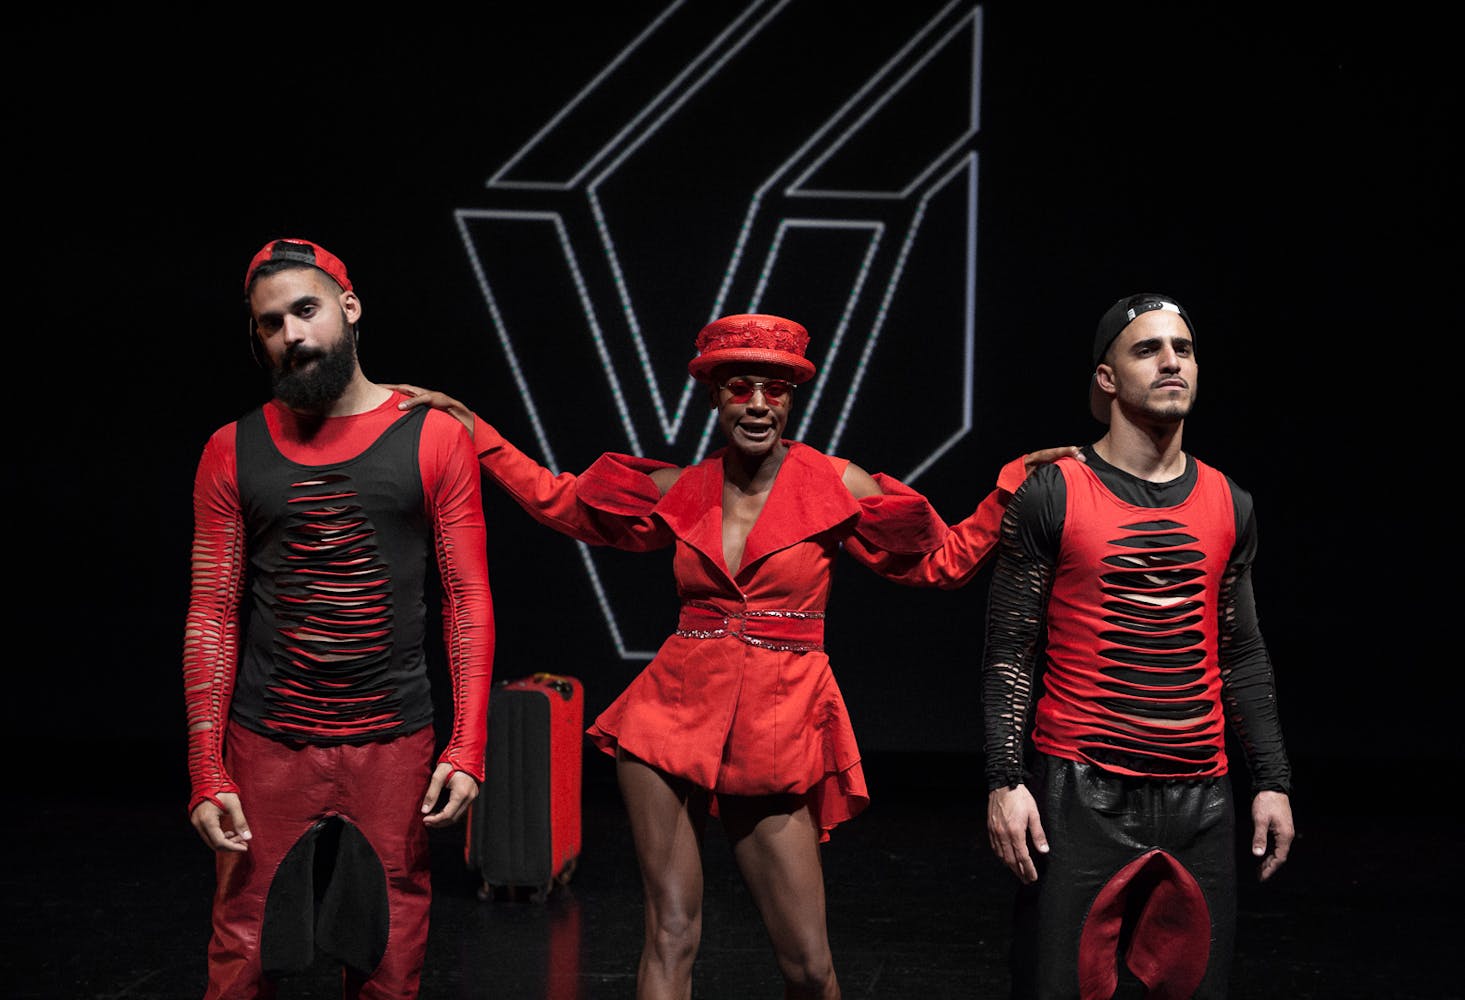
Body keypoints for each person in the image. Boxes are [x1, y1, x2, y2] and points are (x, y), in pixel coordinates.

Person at [390, 312, 1079, 999]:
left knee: (808, 965)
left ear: (791, 398)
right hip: (669, 713)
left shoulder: (836, 484)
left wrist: (1011, 488)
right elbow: (561, 500)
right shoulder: (682, 487)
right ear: (715, 395)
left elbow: (941, 561)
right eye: (739, 387)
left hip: (776, 720)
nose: (756, 404)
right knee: (669, 935)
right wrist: (478, 433)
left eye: (773, 389)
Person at [181, 237, 495, 999]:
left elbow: (466, 599)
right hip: (268, 741)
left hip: (393, 742)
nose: (290, 334)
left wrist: (467, 746)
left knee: (388, 957)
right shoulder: (230, 449)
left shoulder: (434, 436)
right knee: (242, 954)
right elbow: (212, 612)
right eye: (270, 323)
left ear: (349, 307)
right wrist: (205, 766)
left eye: (305, 309)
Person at [981, 292, 1295, 999]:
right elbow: (1010, 649)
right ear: (1106, 378)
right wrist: (1005, 780)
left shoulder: (1229, 501)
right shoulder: (1053, 493)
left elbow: (1242, 651)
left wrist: (1272, 781)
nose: (1170, 362)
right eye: (1147, 349)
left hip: (1201, 797)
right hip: (1078, 790)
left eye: (1183, 349)